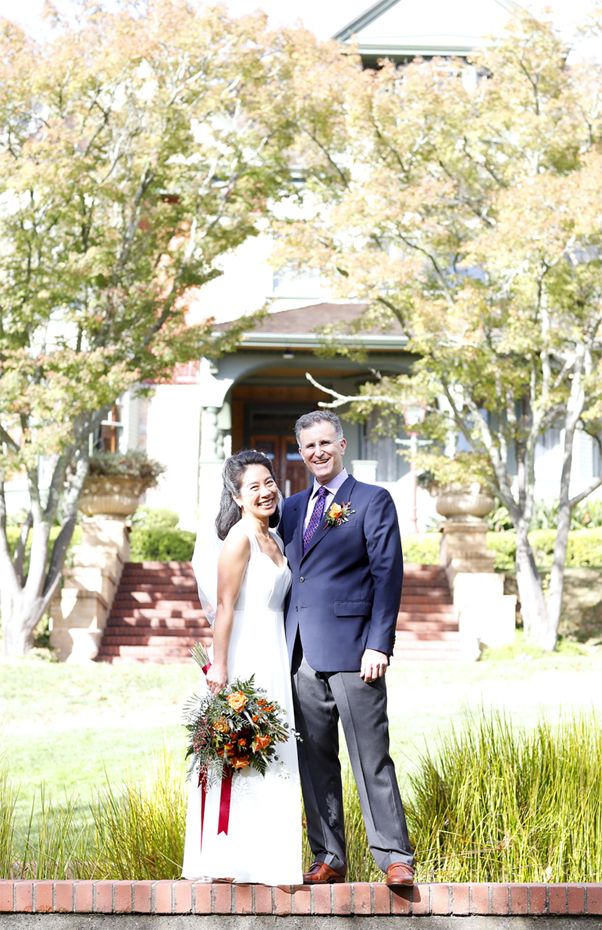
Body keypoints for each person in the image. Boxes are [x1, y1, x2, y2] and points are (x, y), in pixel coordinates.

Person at [280, 410, 414, 887]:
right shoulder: (292, 508)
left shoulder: (372, 500)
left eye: (324, 443)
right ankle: (329, 856)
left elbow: (388, 576)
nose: (316, 452)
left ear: (340, 445)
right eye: (307, 445)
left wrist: (380, 644)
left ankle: (395, 856)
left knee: (371, 758)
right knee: (314, 762)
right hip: (300, 657)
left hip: (358, 654)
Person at [182, 450, 302, 885]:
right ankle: (231, 860)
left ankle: (271, 860)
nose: (266, 491)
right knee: (243, 754)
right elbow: (226, 608)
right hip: (245, 655)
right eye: (254, 486)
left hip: (275, 653)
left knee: (275, 752)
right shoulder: (238, 539)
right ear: (236, 495)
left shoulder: (278, 540)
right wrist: (220, 667)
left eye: (269, 482)